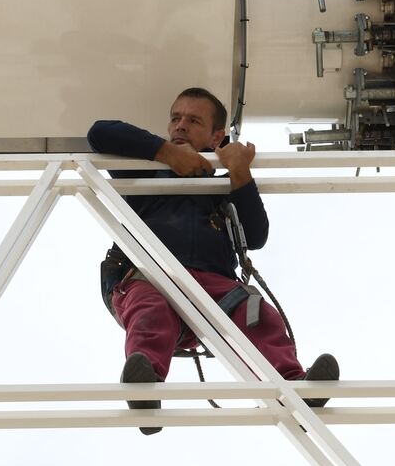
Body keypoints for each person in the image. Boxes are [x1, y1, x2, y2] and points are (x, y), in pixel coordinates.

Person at [88, 87, 339, 435]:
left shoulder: (221, 189)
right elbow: (100, 132)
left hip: (215, 290)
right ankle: (145, 389)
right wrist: (166, 155)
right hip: (149, 278)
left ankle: (294, 388)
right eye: (175, 118)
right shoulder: (143, 172)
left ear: (216, 136)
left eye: (193, 121)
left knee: (255, 312)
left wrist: (239, 173)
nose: (180, 126)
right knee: (151, 309)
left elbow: (256, 236)